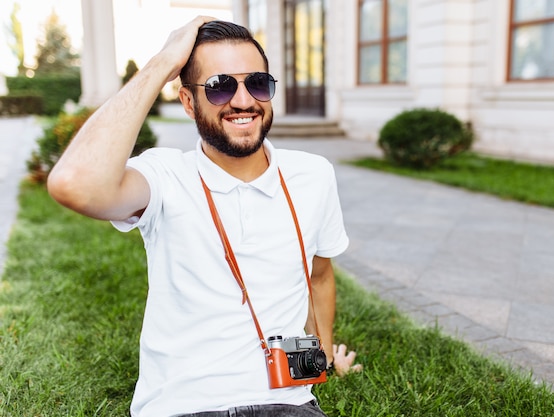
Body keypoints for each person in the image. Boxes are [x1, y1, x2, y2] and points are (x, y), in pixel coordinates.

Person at [47, 16, 361, 417]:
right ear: (187, 101)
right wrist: (162, 62)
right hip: (182, 406)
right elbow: (75, 183)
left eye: (257, 83)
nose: (244, 101)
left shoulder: (312, 175)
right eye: (219, 86)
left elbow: (319, 275)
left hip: (285, 403)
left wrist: (325, 358)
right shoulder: (164, 175)